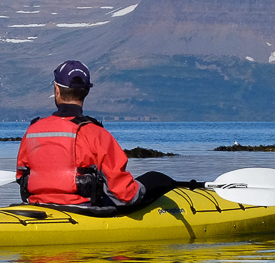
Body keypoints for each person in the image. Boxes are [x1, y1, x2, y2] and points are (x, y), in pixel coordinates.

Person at [16, 60, 185, 208]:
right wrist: (157, 184)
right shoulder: (96, 133)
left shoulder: (32, 130)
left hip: (38, 206)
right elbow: (125, 194)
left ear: (57, 90)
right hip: (82, 210)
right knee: (156, 178)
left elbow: (21, 176)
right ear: (86, 92)